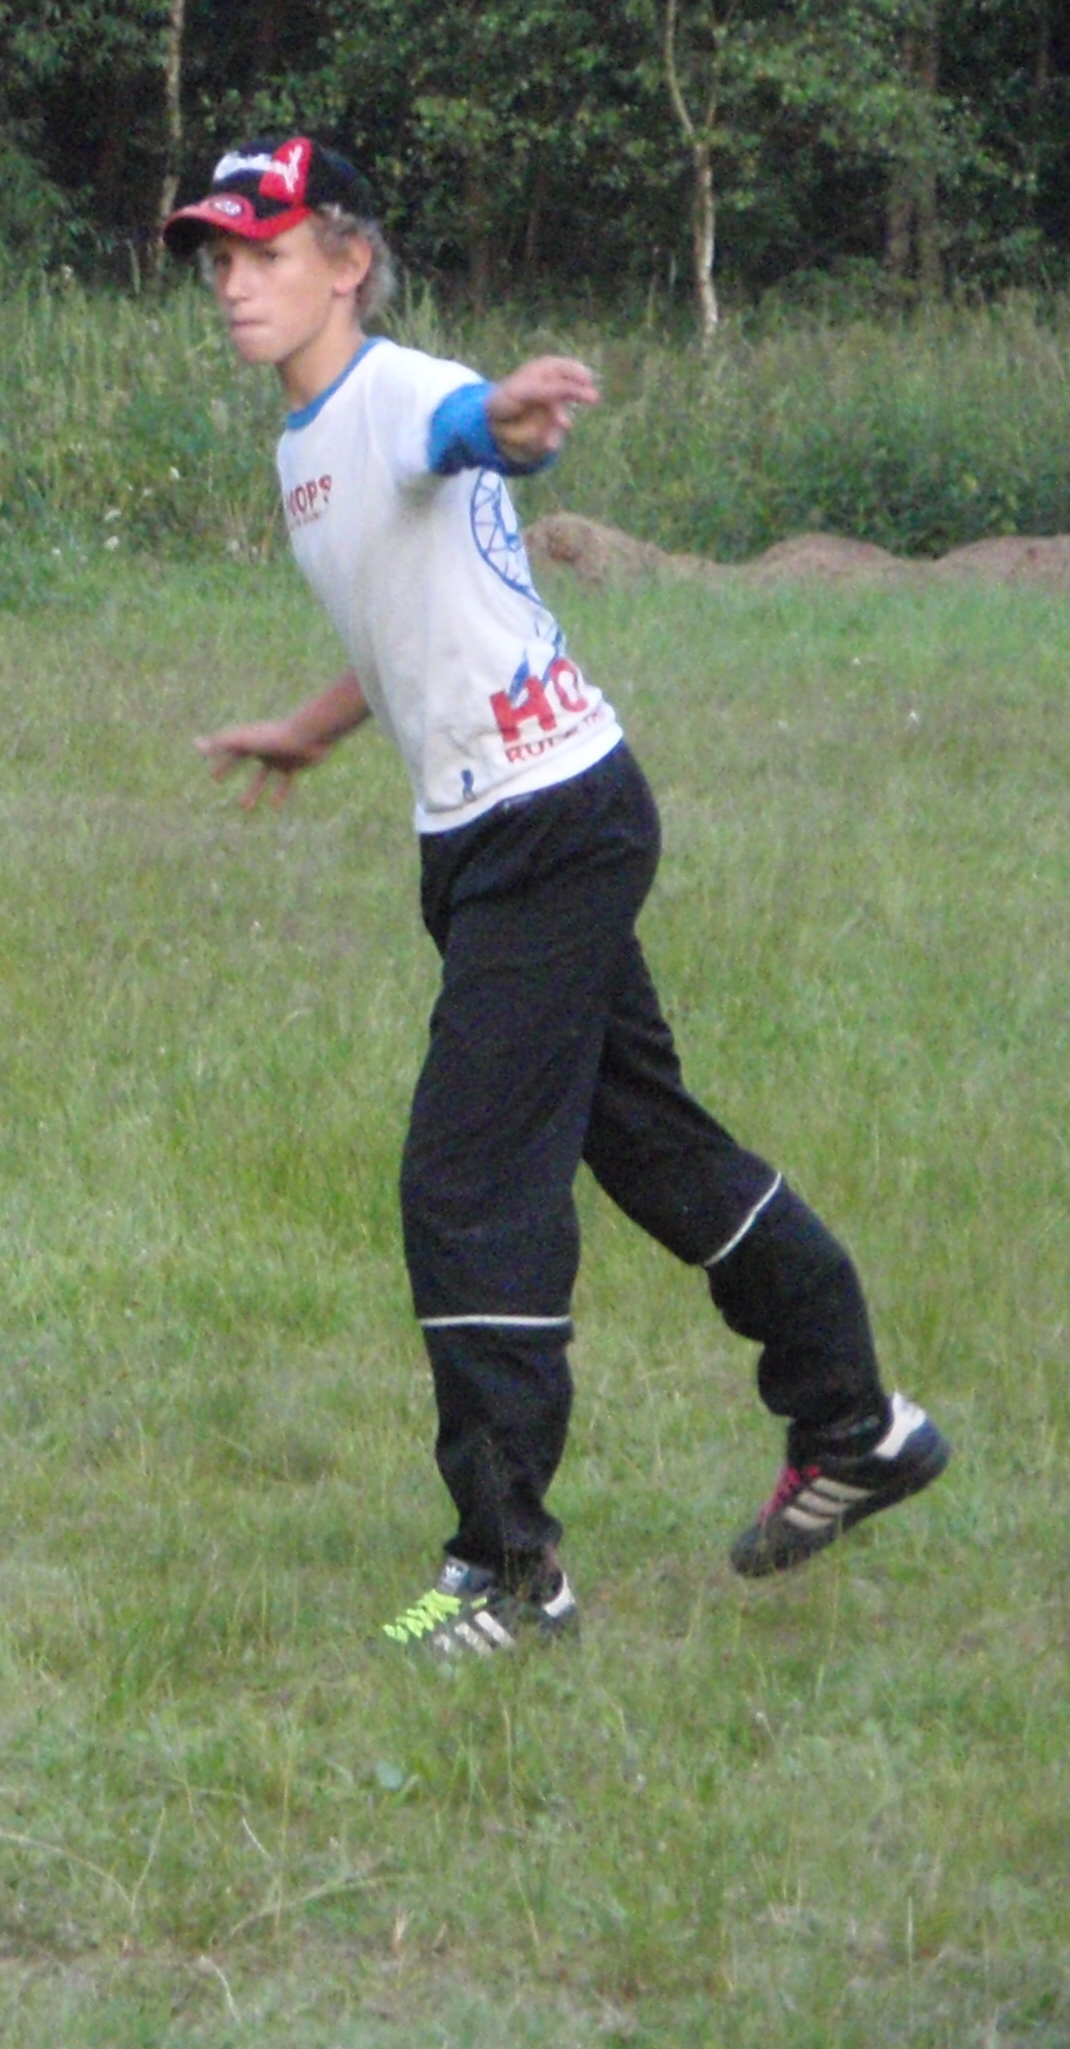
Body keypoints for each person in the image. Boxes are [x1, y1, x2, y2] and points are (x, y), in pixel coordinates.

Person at [174, 137, 947, 1663]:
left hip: (547, 824)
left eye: (268, 252)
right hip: (501, 830)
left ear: (348, 263)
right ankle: (857, 1423)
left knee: (466, 1181)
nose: (237, 283)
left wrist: (511, 424)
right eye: (220, 258)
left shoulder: (398, 392)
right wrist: (312, 730)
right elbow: (406, 610)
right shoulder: (305, 443)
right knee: (649, 1142)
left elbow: (462, 428)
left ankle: (509, 1573)